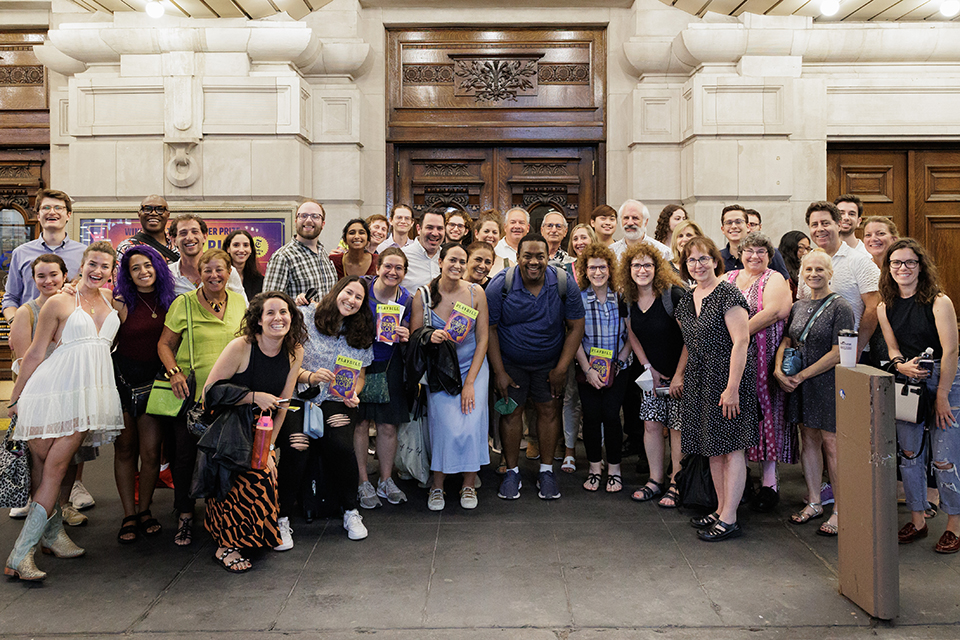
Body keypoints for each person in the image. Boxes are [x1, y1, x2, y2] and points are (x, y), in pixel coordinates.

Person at [5, 241, 123, 581]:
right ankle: (27, 550)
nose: (97, 271)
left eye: (104, 266)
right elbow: (35, 353)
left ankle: (40, 543)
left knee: (52, 468)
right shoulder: (60, 301)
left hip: (87, 396)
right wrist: (16, 397)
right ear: (81, 265)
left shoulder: (112, 301)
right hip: (50, 391)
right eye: (92, 264)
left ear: (111, 271)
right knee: (48, 468)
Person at [201, 292, 305, 570]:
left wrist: (268, 446)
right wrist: (253, 397)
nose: (278, 318)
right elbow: (209, 392)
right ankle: (226, 544)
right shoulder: (242, 347)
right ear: (258, 320)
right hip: (229, 427)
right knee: (245, 475)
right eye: (270, 313)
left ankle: (251, 536)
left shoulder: (295, 350)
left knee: (266, 469)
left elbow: (283, 404)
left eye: (283, 312)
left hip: (263, 428)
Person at [158, 248, 247, 547]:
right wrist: (174, 373)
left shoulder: (238, 302)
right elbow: (164, 344)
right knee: (184, 458)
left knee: (225, 455)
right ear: (199, 273)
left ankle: (219, 513)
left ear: (229, 272)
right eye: (207, 270)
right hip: (193, 396)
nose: (214, 275)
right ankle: (184, 514)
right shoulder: (183, 304)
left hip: (230, 396)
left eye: (220, 270)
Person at [486, 233, 585, 500]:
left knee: (549, 412)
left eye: (540, 256)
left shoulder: (564, 283)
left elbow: (576, 326)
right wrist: (499, 372)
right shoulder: (501, 284)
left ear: (548, 257)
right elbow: (490, 329)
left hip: (549, 364)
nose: (534, 261)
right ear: (517, 257)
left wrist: (562, 368)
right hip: (510, 364)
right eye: (527, 256)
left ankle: (546, 471)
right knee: (510, 414)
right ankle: (512, 472)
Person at [877, 239, 960, 554]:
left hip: (945, 379)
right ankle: (918, 519)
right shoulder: (885, 305)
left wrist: (941, 395)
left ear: (921, 266)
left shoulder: (939, 301)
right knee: (910, 455)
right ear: (889, 268)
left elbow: (950, 350)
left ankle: (954, 525)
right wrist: (900, 365)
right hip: (909, 378)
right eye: (896, 263)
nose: (902, 268)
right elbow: (893, 348)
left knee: (944, 458)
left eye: (910, 262)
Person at [675, 236, 756, 541]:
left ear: (715, 260)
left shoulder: (728, 293)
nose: (698, 265)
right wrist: (680, 376)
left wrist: (732, 387)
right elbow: (688, 343)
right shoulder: (687, 298)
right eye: (692, 260)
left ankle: (730, 517)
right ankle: (721, 509)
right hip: (699, 378)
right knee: (712, 447)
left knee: (731, 447)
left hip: (727, 377)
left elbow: (742, 341)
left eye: (704, 258)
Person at [774, 249, 853, 535]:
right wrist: (778, 369)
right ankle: (815, 501)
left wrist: (803, 375)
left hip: (827, 382)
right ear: (802, 274)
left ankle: (841, 510)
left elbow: (838, 353)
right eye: (808, 270)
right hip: (799, 384)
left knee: (832, 444)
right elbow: (787, 338)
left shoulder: (841, 307)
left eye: (820, 269)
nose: (814, 274)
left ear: (830, 273)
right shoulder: (799, 305)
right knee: (808, 438)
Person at [291, 276, 374, 541]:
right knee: (297, 446)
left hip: (337, 399)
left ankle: (351, 510)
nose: (351, 300)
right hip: (300, 395)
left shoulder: (360, 334)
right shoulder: (305, 316)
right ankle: (281, 517)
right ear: (336, 291)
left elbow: (360, 377)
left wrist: (354, 394)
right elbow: (288, 360)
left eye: (358, 297)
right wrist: (310, 377)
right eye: (348, 293)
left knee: (339, 443)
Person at [411, 243, 490, 510]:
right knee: (444, 426)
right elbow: (414, 337)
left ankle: (469, 483)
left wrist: (470, 383)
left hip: (473, 366)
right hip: (440, 370)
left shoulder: (476, 292)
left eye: (462, 261)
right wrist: (429, 336)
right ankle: (438, 485)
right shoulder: (422, 295)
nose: (457, 265)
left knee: (471, 422)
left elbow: (483, 339)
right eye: (452, 260)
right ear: (441, 261)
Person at [111, 245, 178, 544]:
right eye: (135, 267)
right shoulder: (120, 301)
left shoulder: (171, 301)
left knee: (151, 452)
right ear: (128, 273)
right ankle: (128, 514)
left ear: (158, 267)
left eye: (148, 265)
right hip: (123, 382)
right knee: (125, 450)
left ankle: (145, 509)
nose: (143, 272)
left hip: (156, 383)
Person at [724, 232, 794, 511]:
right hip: (732, 358)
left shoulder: (774, 278)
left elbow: (777, 311)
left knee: (767, 412)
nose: (755, 256)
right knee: (737, 413)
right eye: (749, 251)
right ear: (740, 253)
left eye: (761, 251)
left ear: (769, 254)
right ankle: (740, 479)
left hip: (763, 358)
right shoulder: (728, 278)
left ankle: (769, 481)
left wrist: (738, 333)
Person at [7, 255, 74, 523]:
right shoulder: (27, 312)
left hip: (68, 390)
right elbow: (25, 361)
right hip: (40, 393)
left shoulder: (73, 305)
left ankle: (62, 507)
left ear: (65, 275)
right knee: (40, 458)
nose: (48, 281)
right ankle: (39, 508)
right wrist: (18, 400)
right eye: (41, 276)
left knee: (68, 457)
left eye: (53, 275)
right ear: (33, 280)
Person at [622, 243, 687, 508]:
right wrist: (648, 367)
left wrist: (679, 375)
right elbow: (632, 335)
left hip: (681, 373)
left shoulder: (674, 295)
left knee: (676, 428)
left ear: (657, 268)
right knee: (651, 424)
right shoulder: (627, 298)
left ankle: (676, 482)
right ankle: (655, 480)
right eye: (636, 265)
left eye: (647, 264)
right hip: (653, 375)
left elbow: (690, 339)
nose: (642, 270)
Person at [355, 248, 412, 509]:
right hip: (357, 362)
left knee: (388, 425)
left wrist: (405, 334)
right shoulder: (360, 289)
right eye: (388, 266)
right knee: (361, 423)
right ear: (377, 267)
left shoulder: (407, 300)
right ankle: (363, 480)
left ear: (404, 272)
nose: (392, 272)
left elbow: (413, 331)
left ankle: (386, 479)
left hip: (390, 363)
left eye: (399, 268)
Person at [572, 243, 631, 494]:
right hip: (588, 370)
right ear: (585, 270)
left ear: (610, 269)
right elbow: (572, 337)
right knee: (592, 417)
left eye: (602, 267)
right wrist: (587, 369)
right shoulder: (578, 298)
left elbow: (631, 335)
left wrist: (618, 361)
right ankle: (595, 468)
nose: (598, 272)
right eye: (592, 267)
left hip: (619, 367)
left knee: (611, 415)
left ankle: (615, 470)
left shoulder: (622, 297)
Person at [799, 201, 880, 358]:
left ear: (838, 224)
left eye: (825, 223)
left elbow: (873, 307)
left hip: (850, 352)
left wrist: (857, 349)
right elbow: (803, 306)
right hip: (812, 354)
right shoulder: (807, 263)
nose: (820, 229)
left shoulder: (860, 261)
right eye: (814, 224)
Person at [2, 188, 86, 322]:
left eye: (58, 208)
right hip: (30, 329)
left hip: (70, 330)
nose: (52, 212)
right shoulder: (21, 253)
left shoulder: (84, 254)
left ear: (68, 215)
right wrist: (15, 324)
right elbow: (11, 298)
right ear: (38, 215)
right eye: (46, 207)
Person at [263, 200, 338, 302]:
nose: (308, 220)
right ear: (295, 221)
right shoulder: (283, 257)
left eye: (315, 216)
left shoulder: (323, 253)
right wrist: (296, 304)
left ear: (323, 224)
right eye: (303, 216)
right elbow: (269, 303)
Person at [168, 213, 247, 301]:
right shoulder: (167, 275)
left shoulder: (226, 272)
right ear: (173, 240)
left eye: (195, 232)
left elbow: (244, 308)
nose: (189, 237)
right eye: (183, 233)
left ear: (204, 236)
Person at [862, 216, 900, 365]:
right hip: (867, 344)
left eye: (880, 233)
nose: (874, 239)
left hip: (897, 344)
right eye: (868, 235)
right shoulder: (861, 268)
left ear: (894, 239)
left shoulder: (903, 270)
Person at [719, 205, 789, 281]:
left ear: (748, 226)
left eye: (738, 222)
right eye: (728, 223)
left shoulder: (768, 253)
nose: (733, 226)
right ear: (723, 229)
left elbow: (786, 285)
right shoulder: (717, 257)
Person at [115, 195, 180, 264]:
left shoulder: (179, 245)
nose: (153, 213)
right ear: (139, 215)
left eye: (160, 209)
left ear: (168, 215)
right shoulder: (126, 248)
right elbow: (120, 274)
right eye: (147, 209)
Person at [401, 209, 445, 291]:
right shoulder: (402, 256)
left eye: (439, 228)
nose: (435, 233)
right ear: (418, 229)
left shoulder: (447, 257)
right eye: (429, 227)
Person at [224, 229, 264, 300]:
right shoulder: (219, 277)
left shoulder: (260, 280)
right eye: (236, 245)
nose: (241, 250)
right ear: (228, 249)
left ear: (251, 249)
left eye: (246, 245)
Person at [778, 230, 811, 296]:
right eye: (801, 248)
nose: (805, 253)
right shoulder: (781, 273)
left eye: (807, 248)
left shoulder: (805, 268)